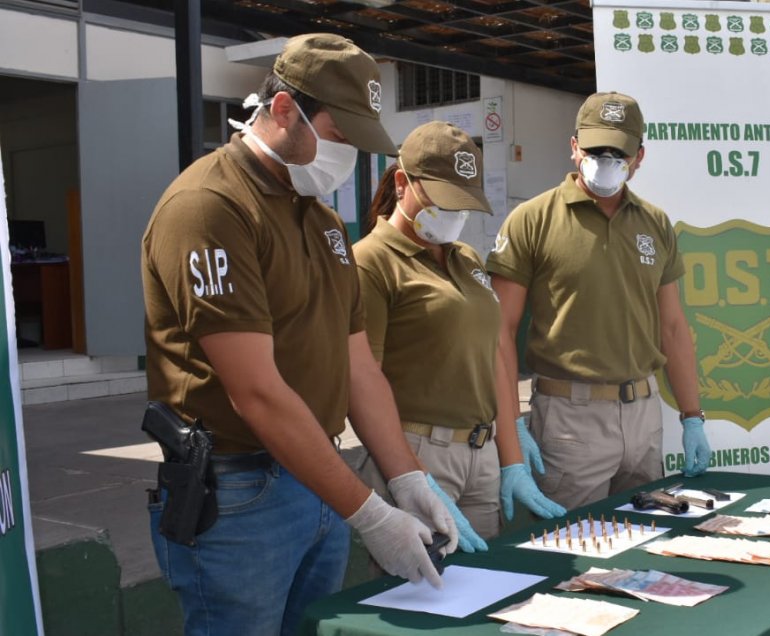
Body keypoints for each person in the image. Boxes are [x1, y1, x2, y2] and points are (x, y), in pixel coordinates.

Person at [141, 33, 457, 636]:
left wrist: (405, 477)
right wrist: (371, 515)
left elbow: (357, 365)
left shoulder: (320, 217)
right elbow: (255, 391)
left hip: (318, 479)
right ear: (284, 110)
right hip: (239, 495)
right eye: (341, 138)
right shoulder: (211, 206)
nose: (349, 158)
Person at [486, 91, 710, 510]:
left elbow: (673, 327)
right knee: (573, 556)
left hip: (644, 415)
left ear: (639, 157)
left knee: (648, 545)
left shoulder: (655, 223)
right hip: (570, 417)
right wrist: (510, 426)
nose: (605, 160)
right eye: (594, 149)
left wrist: (692, 415)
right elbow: (498, 331)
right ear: (574, 148)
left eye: (618, 152)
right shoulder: (532, 220)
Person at [353, 121, 565, 553]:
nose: (453, 215)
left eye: (462, 203)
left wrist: (510, 453)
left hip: (480, 451)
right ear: (401, 182)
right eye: (442, 199)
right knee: (428, 598)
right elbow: (361, 380)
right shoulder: (369, 263)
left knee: (484, 590)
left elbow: (491, 357)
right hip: (420, 452)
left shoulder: (466, 258)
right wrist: (410, 473)